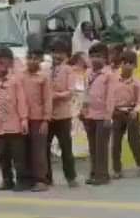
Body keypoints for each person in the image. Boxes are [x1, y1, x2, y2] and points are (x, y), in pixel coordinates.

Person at [0, 46, 30, 191]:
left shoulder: (15, 81)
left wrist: (24, 119)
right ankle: (7, 180)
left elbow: (21, 100)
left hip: (15, 124)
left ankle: (22, 180)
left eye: (2, 62)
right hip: (0, 125)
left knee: (18, 155)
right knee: (3, 155)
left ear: (10, 63)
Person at [110, 50, 140, 178]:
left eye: (130, 63)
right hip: (116, 113)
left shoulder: (137, 82)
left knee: (134, 141)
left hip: (131, 112)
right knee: (115, 143)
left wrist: (136, 110)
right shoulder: (113, 79)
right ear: (120, 64)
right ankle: (117, 170)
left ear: (135, 65)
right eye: (125, 62)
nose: (127, 66)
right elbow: (109, 96)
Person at [81, 42, 116, 186]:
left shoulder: (109, 75)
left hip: (102, 116)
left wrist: (108, 116)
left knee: (101, 147)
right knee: (92, 147)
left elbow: (111, 97)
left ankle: (103, 175)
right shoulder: (88, 73)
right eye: (93, 56)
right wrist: (83, 109)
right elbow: (85, 92)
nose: (96, 59)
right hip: (89, 114)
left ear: (105, 58)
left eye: (99, 56)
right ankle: (94, 172)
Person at [47, 39, 79, 188]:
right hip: (48, 115)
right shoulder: (47, 69)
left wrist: (57, 95)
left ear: (67, 55)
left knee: (66, 147)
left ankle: (71, 177)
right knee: (44, 148)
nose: (56, 56)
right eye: (54, 52)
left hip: (63, 115)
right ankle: (47, 177)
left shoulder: (68, 70)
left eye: (60, 53)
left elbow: (71, 91)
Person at [21, 49, 53, 192]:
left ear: (40, 60)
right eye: (30, 58)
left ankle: (41, 180)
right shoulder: (20, 76)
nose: (32, 61)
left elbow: (47, 99)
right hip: (23, 118)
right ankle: (28, 179)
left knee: (39, 150)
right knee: (25, 150)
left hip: (39, 119)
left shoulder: (44, 77)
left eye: (35, 58)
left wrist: (46, 119)